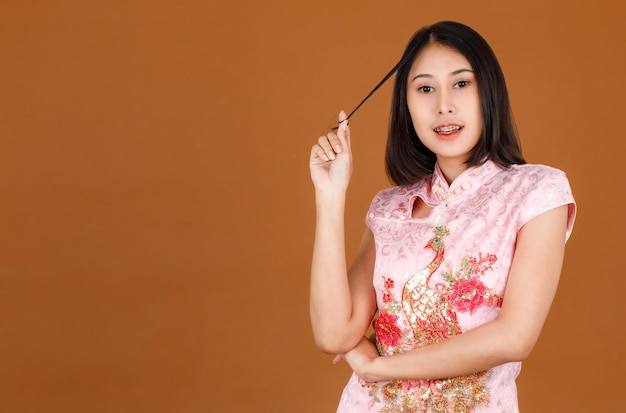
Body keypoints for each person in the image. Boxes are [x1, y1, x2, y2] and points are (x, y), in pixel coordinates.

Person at [308, 21, 576, 413]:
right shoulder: (389, 207)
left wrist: (379, 366)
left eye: (461, 84)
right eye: (425, 88)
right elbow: (334, 333)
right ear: (407, 106)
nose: (444, 105)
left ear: (490, 91)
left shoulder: (537, 192)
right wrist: (330, 197)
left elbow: (514, 337)